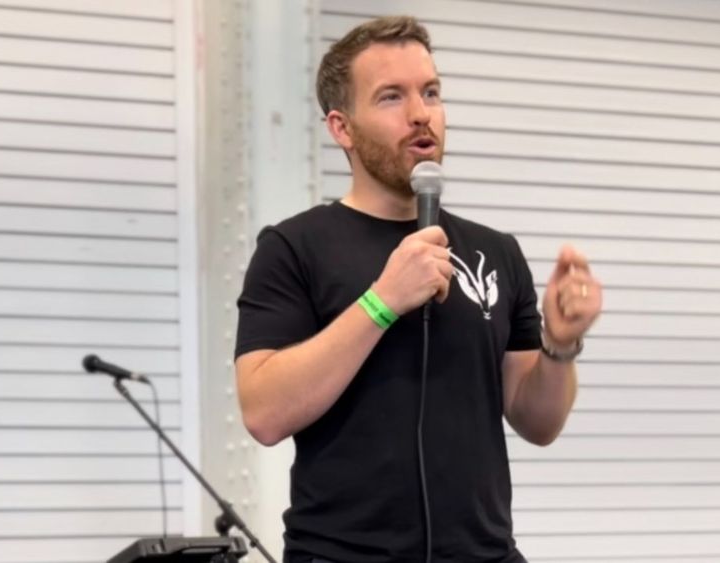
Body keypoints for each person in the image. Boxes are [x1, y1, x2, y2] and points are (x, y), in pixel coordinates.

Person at [234, 15, 602, 563]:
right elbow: (264, 412)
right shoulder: (294, 248)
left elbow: (538, 422)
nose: (420, 113)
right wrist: (381, 302)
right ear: (342, 128)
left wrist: (561, 344)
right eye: (390, 97)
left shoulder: (495, 252)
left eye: (430, 91)